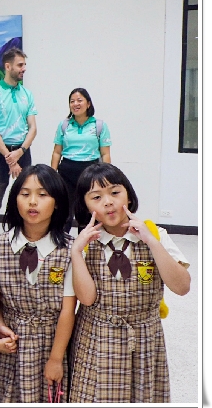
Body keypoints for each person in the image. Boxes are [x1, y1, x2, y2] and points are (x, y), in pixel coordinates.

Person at [69, 163, 190, 403]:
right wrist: (76, 252)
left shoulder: (156, 234)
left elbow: (182, 287)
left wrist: (151, 241)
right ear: (85, 206)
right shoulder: (85, 243)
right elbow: (87, 298)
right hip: (96, 337)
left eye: (115, 192)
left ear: (129, 196)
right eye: (96, 197)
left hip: (144, 337)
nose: (108, 202)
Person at [0, 165, 76, 403]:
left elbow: (68, 310)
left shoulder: (70, 251)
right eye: (25, 194)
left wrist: (56, 359)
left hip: (50, 344)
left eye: (42, 194)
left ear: (57, 202)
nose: (32, 202)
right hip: (9, 346)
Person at [0, 47, 38, 236]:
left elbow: (33, 128)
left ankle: (25, 238)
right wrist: (9, 157)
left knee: (27, 195)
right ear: (8, 66)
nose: (24, 69)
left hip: (22, 151)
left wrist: (20, 152)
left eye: (24, 65)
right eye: (20, 65)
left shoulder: (27, 94)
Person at [50, 88, 112, 233]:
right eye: (72, 101)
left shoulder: (99, 125)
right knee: (64, 213)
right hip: (66, 172)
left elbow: (105, 154)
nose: (75, 104)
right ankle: (62, 243)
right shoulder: (64, 125)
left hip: (90, 173)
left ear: (88, 103)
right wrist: (52, 175)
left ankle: (85, 244)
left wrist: (106, 177)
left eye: (79, 100)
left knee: (87, 213)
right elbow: (57, 152)